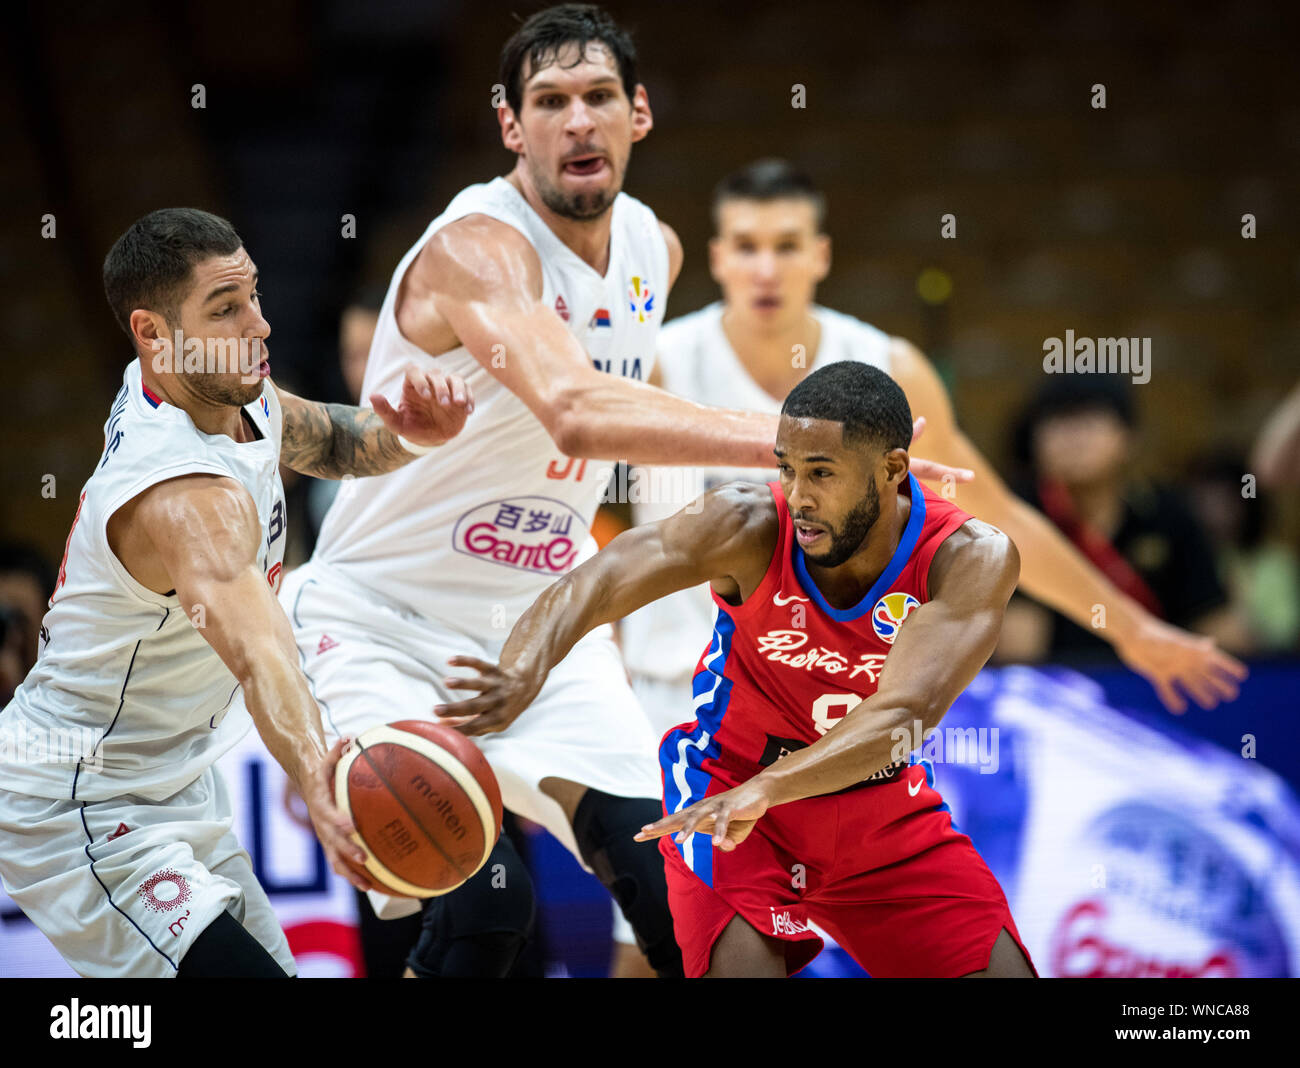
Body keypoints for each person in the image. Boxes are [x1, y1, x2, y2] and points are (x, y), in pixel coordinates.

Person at [282, 4, 974, 979]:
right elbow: (572, 409)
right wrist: (802, 445)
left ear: (637, 114)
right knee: (486, 910)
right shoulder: (478, 245)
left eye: (599, 97)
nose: (578, 122)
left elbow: (612, 414)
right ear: (510, 126)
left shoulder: (655, 249)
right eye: (550, 102)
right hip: (379, 621)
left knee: (677, 902)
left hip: (542, 618)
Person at [436, 362, 1037, 978]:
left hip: (877, 808)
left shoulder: (967, 558)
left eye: (821, 473)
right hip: (730, 797)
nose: (798, 495)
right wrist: (523, 667)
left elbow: (901, 715)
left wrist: (771, 787)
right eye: (786, 467)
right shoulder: (749, 522)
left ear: (891, 470)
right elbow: (601, 578)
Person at [0, 207, 472, 977]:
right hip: (77, 795)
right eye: (226, 308)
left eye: (252, 294)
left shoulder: (224, 390)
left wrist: (414, 431)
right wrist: (327, 775)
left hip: (177, 779)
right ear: (152, 334)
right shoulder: (182, 495)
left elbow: (335, 439)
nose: (259, 324)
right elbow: (262, 655)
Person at [621, 159, 1246, 728]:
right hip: (682, 700)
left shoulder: (889, 366)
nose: (766, 268)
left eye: (786, 246)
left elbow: (998, 518)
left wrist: (1130, 629)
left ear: (821, 255)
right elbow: (587, 531)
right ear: (718, 257)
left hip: (842, 711)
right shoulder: (660, 366)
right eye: (747, 246)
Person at [998, 376, 1253, 663]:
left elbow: (1221, 628)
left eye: (1090, 422)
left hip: (1157, 686)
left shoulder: (1169, 514)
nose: (1073, 438)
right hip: (1055, 690)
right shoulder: (1017, 516)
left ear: (1129, 437)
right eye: (1058, 422)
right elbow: (1018, 653)